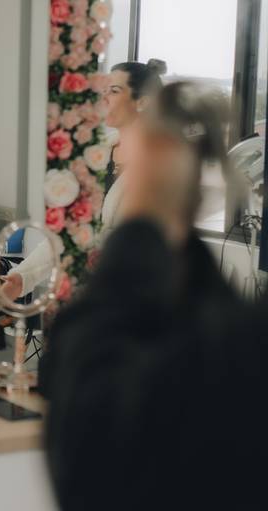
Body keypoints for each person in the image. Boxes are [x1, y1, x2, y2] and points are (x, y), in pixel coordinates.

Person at [40, 81, 267, 509]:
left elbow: (89, 432)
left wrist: (147, 211)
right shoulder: (237, 331)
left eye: (114, 89)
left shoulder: (115, 359)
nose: (104, 98)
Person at [2, 59, 167, 299]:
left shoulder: (160, 165)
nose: (104, 98)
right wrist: (22, 277)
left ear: (142, 102)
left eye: (114, 91)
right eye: (103, 90)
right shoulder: (96, 155)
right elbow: (71, 233)